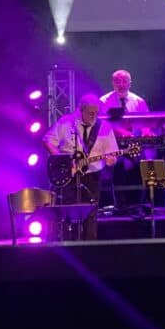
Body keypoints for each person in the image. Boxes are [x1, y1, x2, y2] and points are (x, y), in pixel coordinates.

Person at [43, 92, 118, 239]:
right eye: (90, 113)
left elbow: (112, 153)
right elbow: (47, 141)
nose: (94, 116)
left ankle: (89, 247)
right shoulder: (66, 122)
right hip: (69, 176)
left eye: (96, 113)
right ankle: (68, 244)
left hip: (92, 176)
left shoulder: (104, 127)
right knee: (67, 213)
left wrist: (112, 160)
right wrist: (62, 160)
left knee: (90, 215)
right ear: (80, 110)